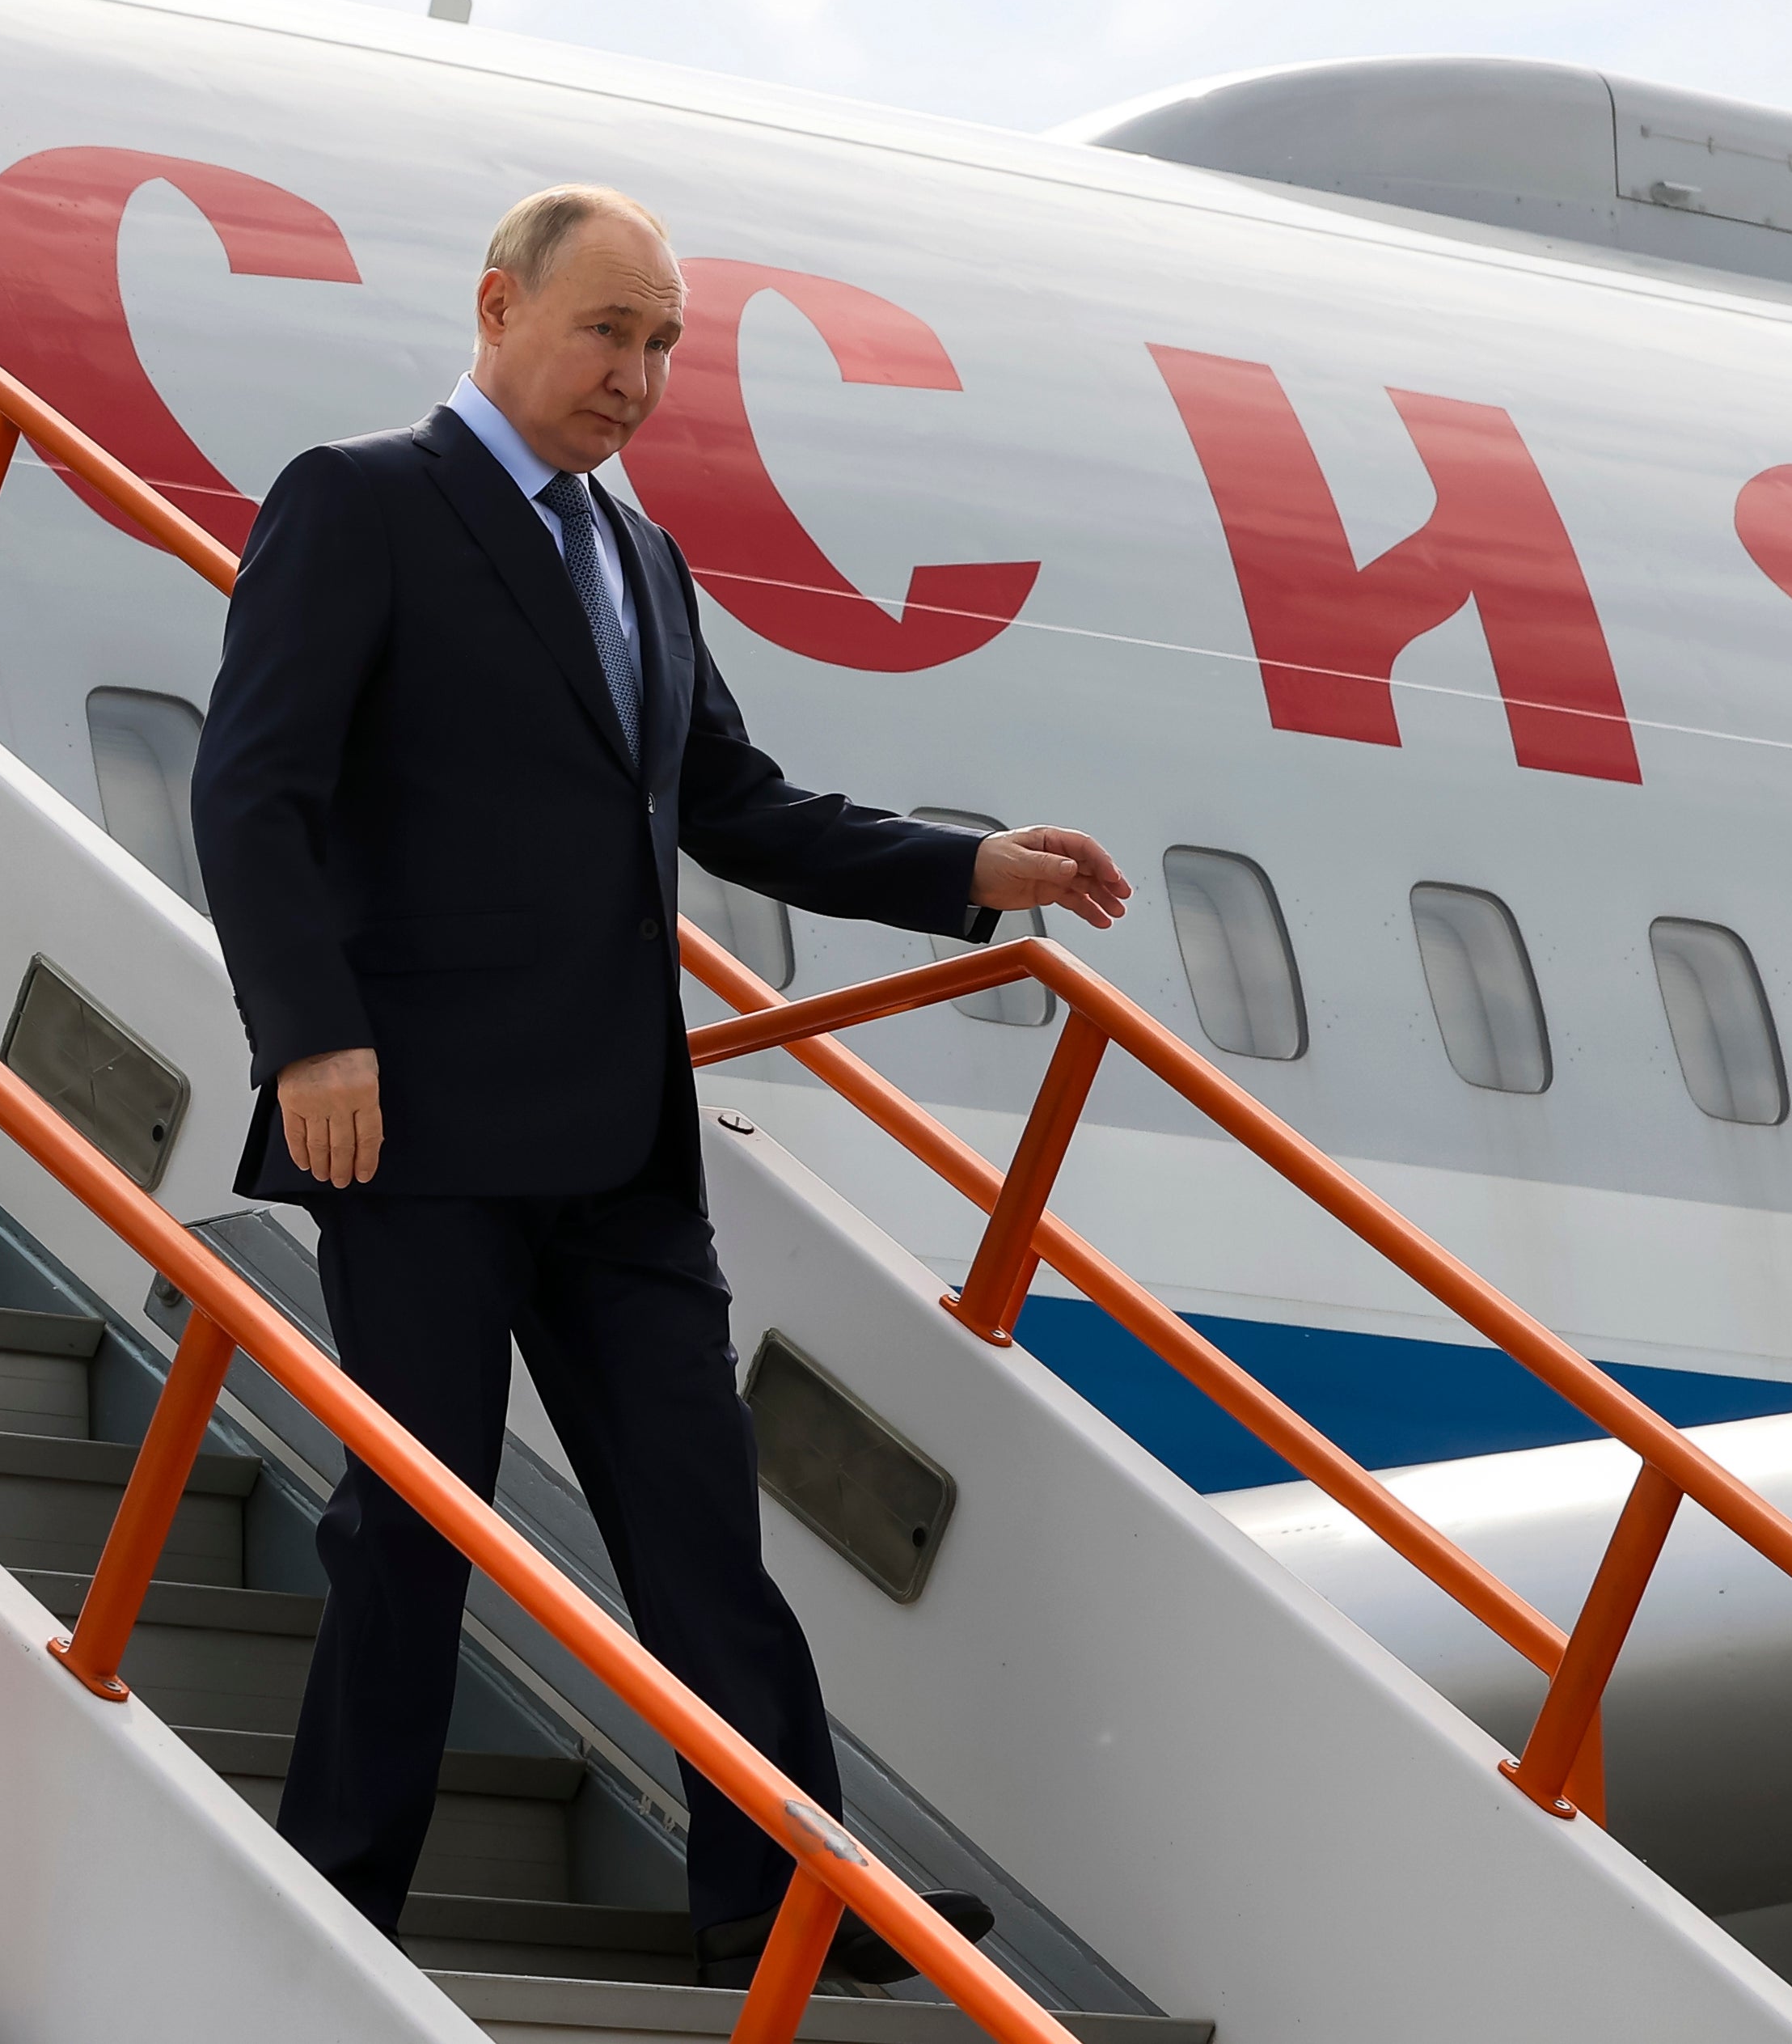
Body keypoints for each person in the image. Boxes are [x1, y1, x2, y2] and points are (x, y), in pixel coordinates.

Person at [190, 183, 1130, 1987]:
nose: (636, 374)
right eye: (607, 330)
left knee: (698, 1516)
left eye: (663, 343)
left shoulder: (639, 559)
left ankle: (774, 1889)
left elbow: (735, 803)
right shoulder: (364, 504)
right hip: (418, 1131)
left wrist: (964, 865)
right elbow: (255, 791)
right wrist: (312, 1036)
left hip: (618, 1140)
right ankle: (337, 1899)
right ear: (497, 307)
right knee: (416, 1520)